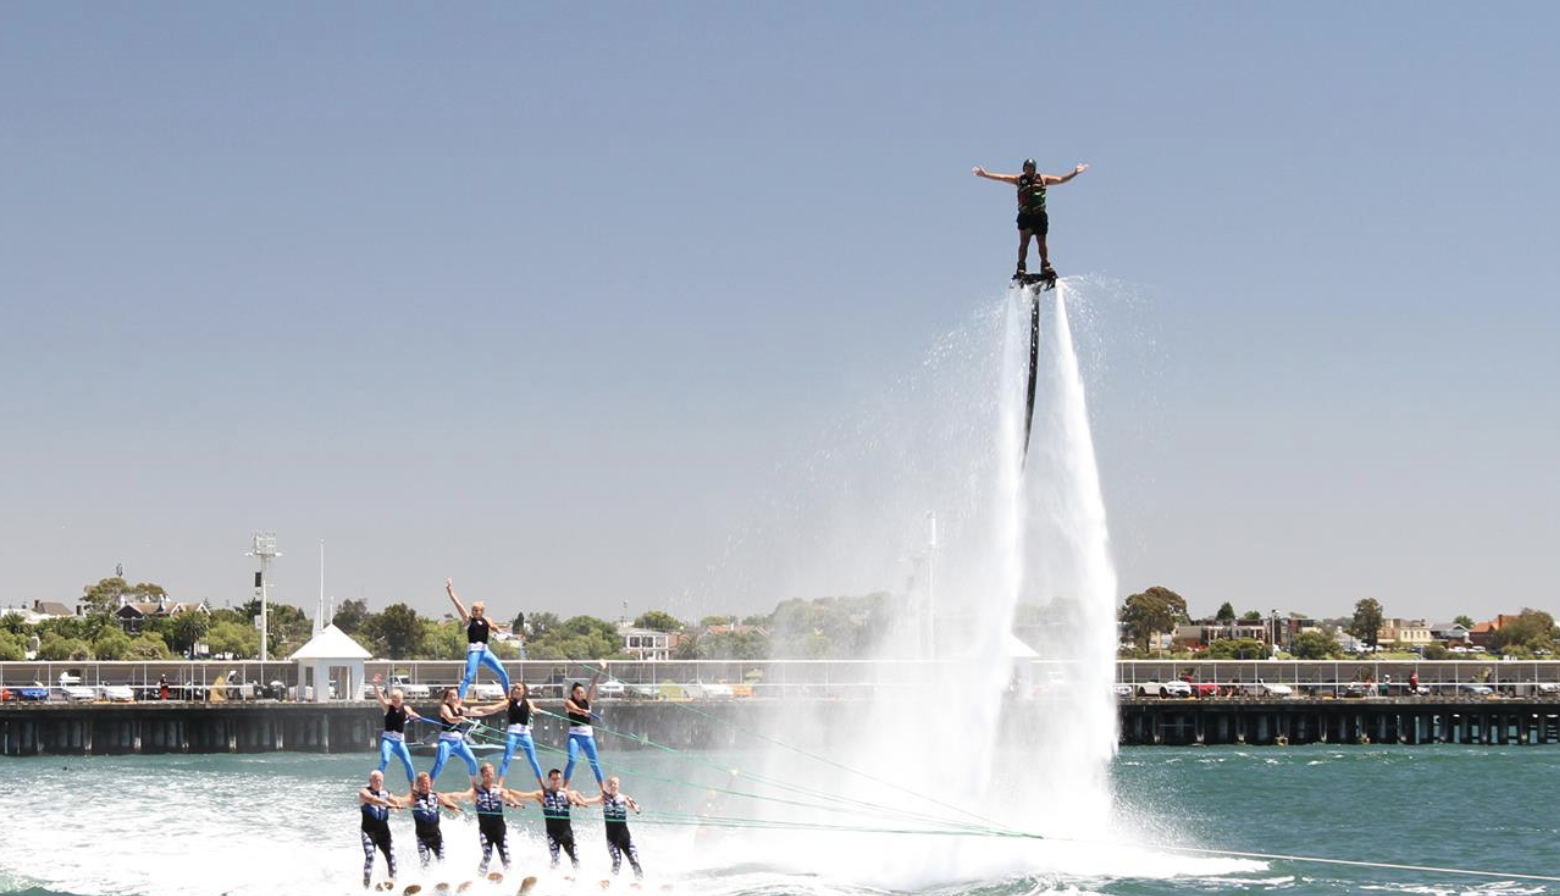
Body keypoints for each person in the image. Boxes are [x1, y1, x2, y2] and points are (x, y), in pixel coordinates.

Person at [971, 159, 1089, 279]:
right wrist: (985, 174)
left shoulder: (1043, 179)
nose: (1029, 169)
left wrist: (1075, 173)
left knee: (1042, 242)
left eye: (1031, 167)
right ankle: (1021, 266)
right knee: (1024, 243)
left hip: (1039, 216)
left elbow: (1061, 180)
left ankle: (1045, 265)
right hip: (1025, 216)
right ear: (1024, 168)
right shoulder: (1018, 179)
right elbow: (1002, 177)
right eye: (1027, 167)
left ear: (1034, 169)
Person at [448, 763, 526, 878]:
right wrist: (447, 797)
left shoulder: (498, 790)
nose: (490, 776)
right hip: (485, 830)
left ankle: (511, 878)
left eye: (491, 774)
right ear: (482, 775)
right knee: (487, 855)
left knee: (505, 854)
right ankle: (479, 878)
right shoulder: (476, 791)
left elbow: (508, 797)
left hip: (499, 828)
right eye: (487, 774)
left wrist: (516, 803)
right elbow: (462, 796)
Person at [446, 578, 512, 700]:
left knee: (502, 672)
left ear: (482, 611)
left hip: (486, 652)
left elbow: (493, 627)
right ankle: (460, 700)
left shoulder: (487, 619)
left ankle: (508, 698)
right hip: (474, 652)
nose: (475, 612)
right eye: (473, 610)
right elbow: (458, 605)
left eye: (477, 610)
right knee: (469, 676)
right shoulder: (469, 620)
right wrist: (450, 592)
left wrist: (501, 631)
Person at [470, 682, 545, 789]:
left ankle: (542, 785)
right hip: (513, 733)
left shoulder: (528, 702)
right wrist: (478, 708)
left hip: (525, 734)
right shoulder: (508, 702)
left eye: (518, 688)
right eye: (514, 688)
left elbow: (533, 709)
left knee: (533, 760)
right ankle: (500, 785)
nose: (516, 690)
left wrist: (536, 710)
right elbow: (493, 708)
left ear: (524, 691)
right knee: (507, 758)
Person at [513, 769, 589, 872]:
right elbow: (523, 796)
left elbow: (577, 800)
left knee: (574, 857)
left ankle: (578, 876)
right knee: (555, 859)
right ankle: (553, 879)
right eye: (553, 779)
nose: (556, 781)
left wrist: (579, 802)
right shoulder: (542, 794)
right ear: (549, 779)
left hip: (566, 832)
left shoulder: (565, 793)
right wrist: (509, 792)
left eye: (558, 779)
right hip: (552, 833)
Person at [578, 776, 643, 881]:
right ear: (608, 786)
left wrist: (636, 808)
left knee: (634, 860)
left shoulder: (625, 798)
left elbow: (637, 808)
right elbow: (586, 801)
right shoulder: (603, 798)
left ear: (618, 785)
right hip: (612, 838)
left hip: (625, 837)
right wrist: (576, 798)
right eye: (611, 784)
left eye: (615, 783)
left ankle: (640, 882)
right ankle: (611, 883)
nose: (613, 785)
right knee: (617, 861)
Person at [372, 674, 428, 786]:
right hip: (387, 739)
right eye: (394, 700)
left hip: (399, 741)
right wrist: (374, 684)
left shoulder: (406, 708)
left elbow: (413, 714)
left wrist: (416, 716)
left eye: (398, 700)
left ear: (402, 700)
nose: (396, 702)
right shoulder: (387, 707)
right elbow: (379, 697)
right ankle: (375, 784)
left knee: (408, 763)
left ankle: (413, 788)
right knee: (385, 760)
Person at [405, 771, 463, 869]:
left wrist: (455, 808)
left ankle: (442, 880)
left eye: (427, 783)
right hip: (422, 838)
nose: (425, 786)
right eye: (422, 784)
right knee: (425, 861)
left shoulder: (436, 796)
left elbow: (447, 802)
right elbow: (402, 800)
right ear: (418, 785)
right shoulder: (413, 798)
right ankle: (424, 880)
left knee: (442, 861)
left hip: (436, 836)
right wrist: (395, 804)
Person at [562, 667, 606, 790]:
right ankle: (565, 787)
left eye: (582, 692)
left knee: (595, 764)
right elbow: (573, 709)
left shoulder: (587, 701)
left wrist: (601, 669)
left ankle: (603, 790)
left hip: (588, 738)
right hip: (574, 737)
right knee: (572, 760)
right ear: (573, 693)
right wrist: (583, 712)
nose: (580, 694)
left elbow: (593, 684)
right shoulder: (568, 701)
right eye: (578, 692)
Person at [359, 770, 402, 889]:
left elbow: (395, 800)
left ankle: (394, 883)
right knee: (370, 856)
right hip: (369, 831)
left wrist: (396, 806)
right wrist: (387, 804)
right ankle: (366, 886)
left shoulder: (386, 792)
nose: (378, 783)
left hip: (384, 832)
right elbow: (372, 800)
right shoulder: (364, 792)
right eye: (375, 780)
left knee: (391, 856)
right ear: (370, 781)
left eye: (380, 780)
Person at [428, 688, 480, 785]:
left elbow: (474, 711)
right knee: (440, 764)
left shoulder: (460, 709)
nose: (452, 697)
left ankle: (474, 786)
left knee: (472, 761)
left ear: (457, 697)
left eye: (454, 695)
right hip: (446, 742)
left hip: (459, 743)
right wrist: (459, 718)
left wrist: (493, 709)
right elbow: (450, 718)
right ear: (446, 698)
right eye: (450, 695)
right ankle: (428, 787)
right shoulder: (444, 707)